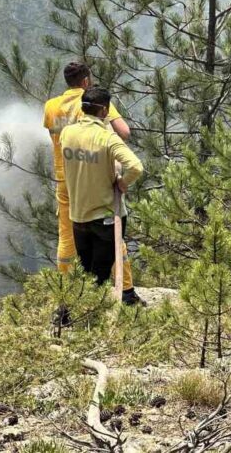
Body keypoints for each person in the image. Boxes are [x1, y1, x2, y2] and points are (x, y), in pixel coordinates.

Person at [44, 63, 144, 305]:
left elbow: (54, 138)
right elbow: (124, 131)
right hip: (93, 179)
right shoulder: (92, 102)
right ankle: (126, 291)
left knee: (67, 238)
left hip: (66, 177)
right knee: (111, 232)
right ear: (86, 82)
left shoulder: (51, 107)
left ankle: (67, 296)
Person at [59, 85, 144, 287]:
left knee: (84, 271)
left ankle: (72, 313)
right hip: (105, 217)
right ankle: (86, 314)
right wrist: (122, 184)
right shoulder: (107, 137)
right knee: (100, 277)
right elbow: (135, 166)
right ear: (104, 110)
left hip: (78, 217)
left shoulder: (67, 133)